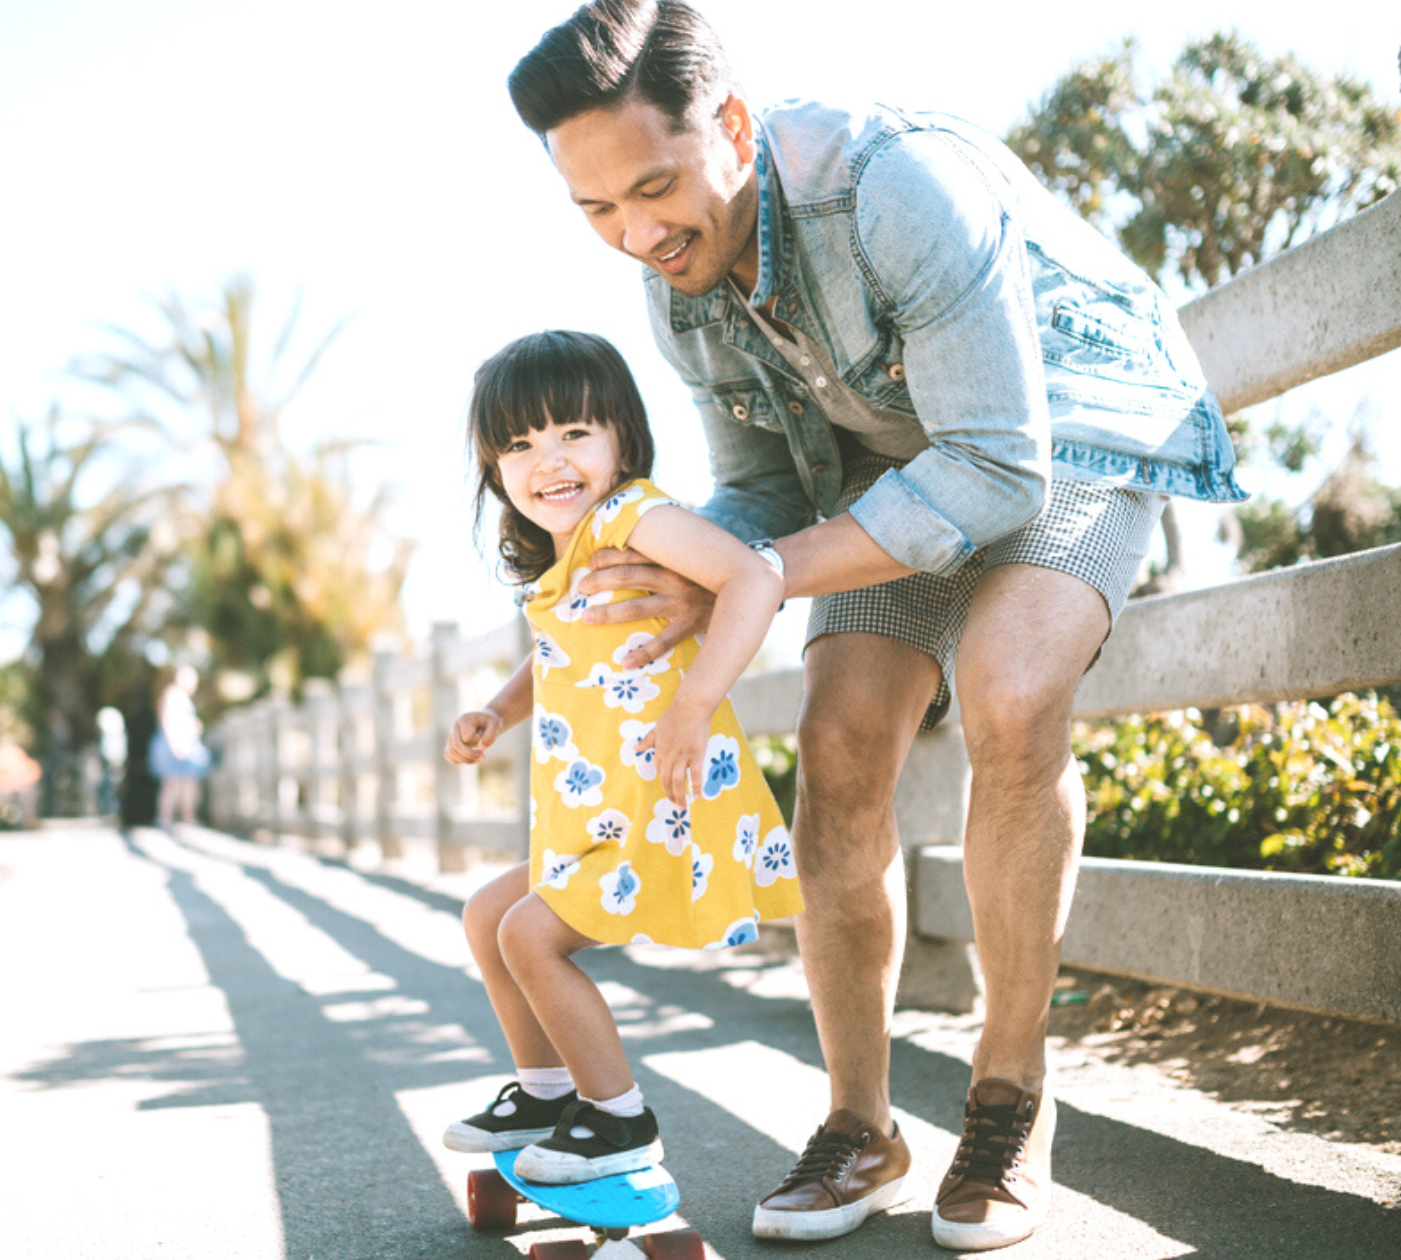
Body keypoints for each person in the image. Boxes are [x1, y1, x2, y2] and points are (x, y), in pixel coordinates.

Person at [508, 3, 1247, 1247]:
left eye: (653, 187)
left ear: (731, 126)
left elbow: (1000, 471)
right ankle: (861, 1127)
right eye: (595, 212)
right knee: (840, 740)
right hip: (887, 473)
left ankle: (1009, 1099)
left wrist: (746, 572)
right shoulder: (676, 285)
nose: (636, 235)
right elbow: (758, 484)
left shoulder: (896, 186)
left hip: (1066, 437)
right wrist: (699, 558)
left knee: (1008, 688)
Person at [439, 330, 802, 1185]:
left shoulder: (632, 515)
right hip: (601, 811)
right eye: (519, 444)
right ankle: (545, 1091)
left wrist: (695, 703)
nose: (549, 460)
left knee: (531, 937)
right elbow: (560, 653)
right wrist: (496, 708)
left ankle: (618, 1119)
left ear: (621, 438)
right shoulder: (565, 556)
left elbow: (753, 578)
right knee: (489, 916)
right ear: (495, 469)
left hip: (662, 800)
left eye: (574, 432)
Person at [148, 665, 210, 829]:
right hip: (176, 744)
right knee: (173, 783)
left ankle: (185, 818)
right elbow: (168, 720)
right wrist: (175, 745)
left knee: (186, 782)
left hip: (184, 743)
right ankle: (166, 819)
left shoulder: (180, 696)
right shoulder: (173, 695)